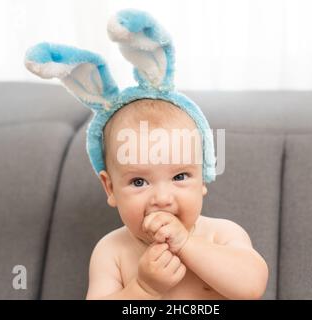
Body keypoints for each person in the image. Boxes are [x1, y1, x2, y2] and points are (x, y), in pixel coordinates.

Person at [24, 9, 268, 300]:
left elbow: (251, 287)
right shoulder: (112, 251)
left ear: (203, 176)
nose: (162, 198)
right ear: (110, 187)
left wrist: (187, 243)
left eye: (180, 176)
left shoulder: (221, 235)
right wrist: (144, 289)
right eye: (139, 182)